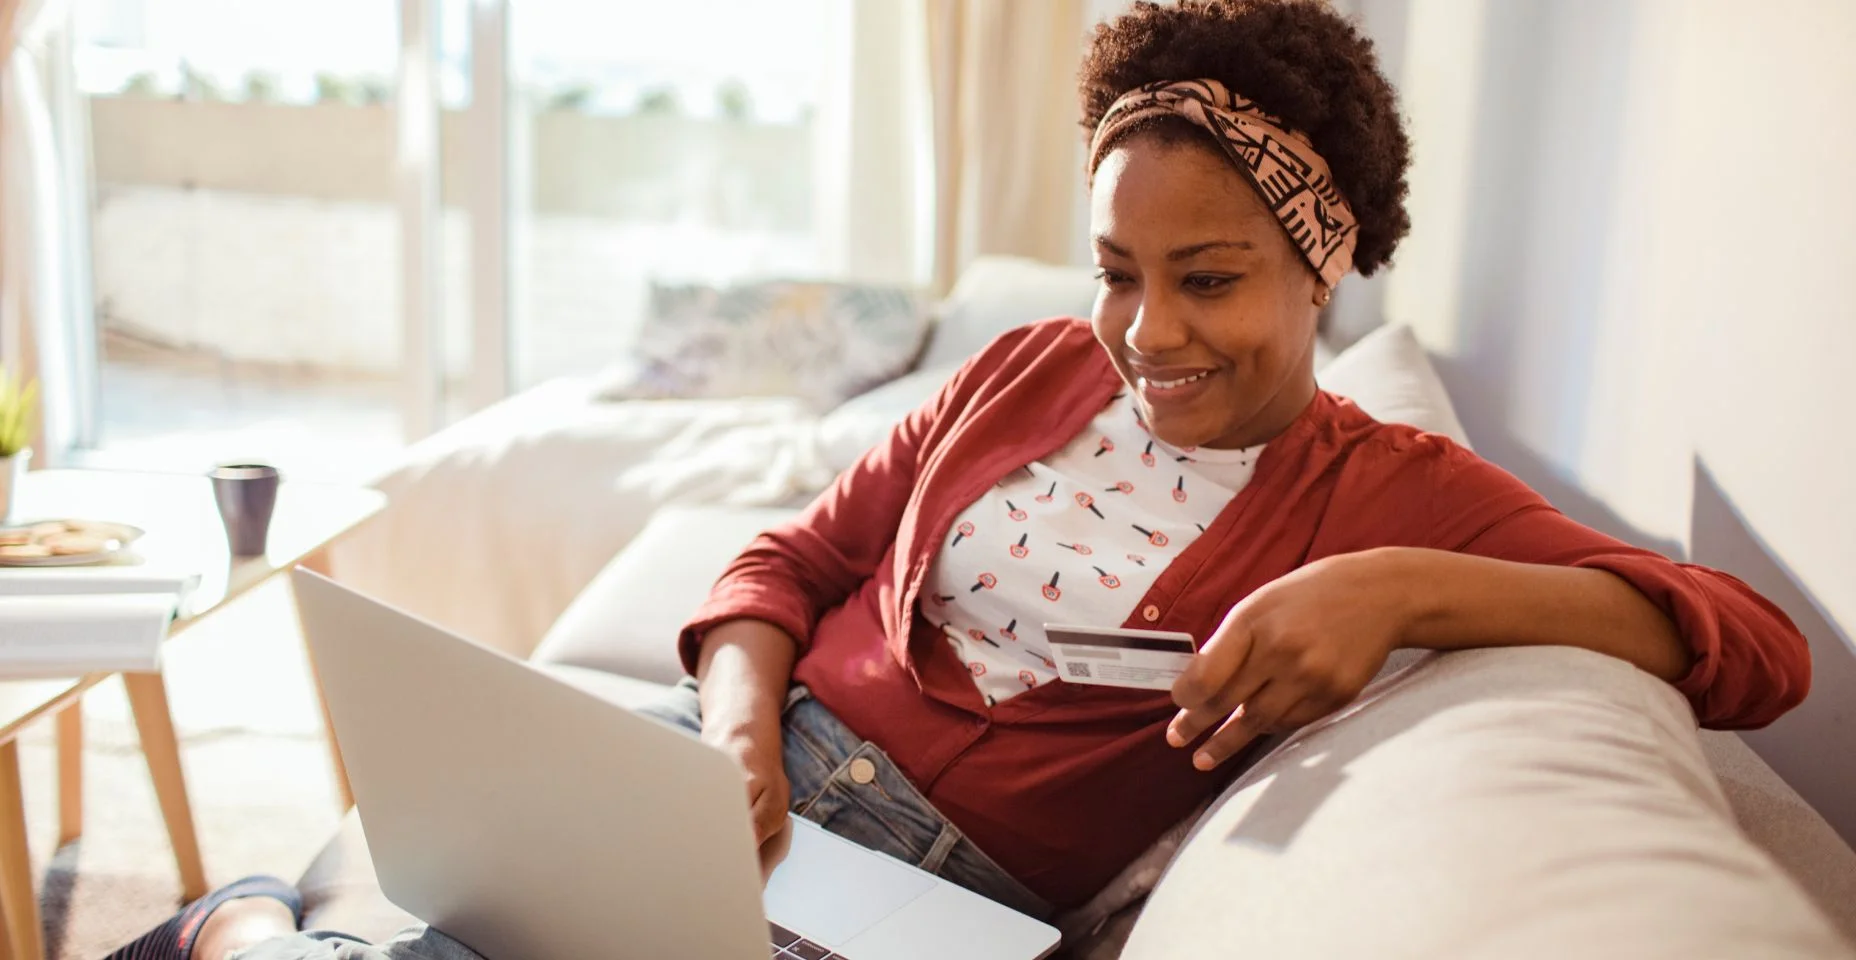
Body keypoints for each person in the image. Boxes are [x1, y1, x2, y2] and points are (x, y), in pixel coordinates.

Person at [109, 1, 1810, 957]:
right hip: (720, 778)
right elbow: (788, 557)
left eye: (1205, 278)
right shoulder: (1027, 367)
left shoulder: (1390, 487)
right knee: (459, 894)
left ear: (1324, 263)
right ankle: (253, 927)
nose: (1144, 334)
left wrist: (1400, 588)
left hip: (932, 902)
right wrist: (731, 731)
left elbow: (1751, 645)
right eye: (1115, 269)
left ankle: (246, 935)